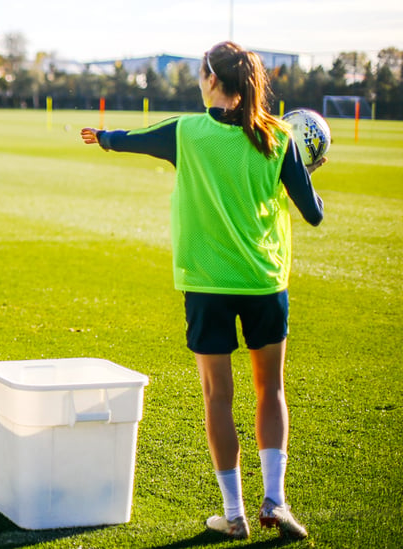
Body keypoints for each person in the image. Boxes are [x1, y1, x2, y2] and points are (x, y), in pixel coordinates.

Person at [80, 41, 324, 540]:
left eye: (200, 72)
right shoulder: (280, 140)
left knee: (219, 396)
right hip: (264, 282)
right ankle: (275, 503)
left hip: (207, 284)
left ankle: (234, 515)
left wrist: (101, 136)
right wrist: (303, 167)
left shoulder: (187, 131)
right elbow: (314, 213)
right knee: (270, 391)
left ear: (212, 80)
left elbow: (132, 139)